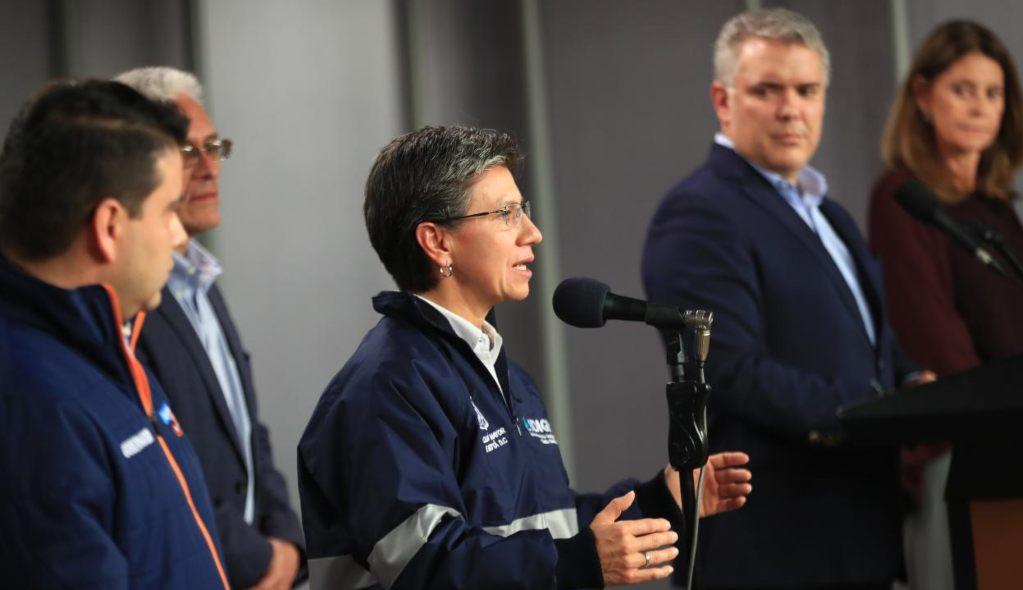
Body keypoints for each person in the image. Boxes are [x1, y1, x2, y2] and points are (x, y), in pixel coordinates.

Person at [298, 125, 752, 589]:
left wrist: (659, 501)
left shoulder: (502, 374)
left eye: (524, 211)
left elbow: (544, 527)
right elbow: (424, 566)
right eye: (506, 213)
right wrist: (577, 564)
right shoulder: (385, 386)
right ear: (437, 242)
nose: (532, 234)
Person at [642, 8, 932, 589]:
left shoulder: (829, 212)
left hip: (856, 530)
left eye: (806, 90)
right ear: (723, 101)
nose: (790, 108)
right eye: (766, 90)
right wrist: (873, 416)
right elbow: (731, 368)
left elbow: (868, 340)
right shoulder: (699, 212)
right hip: (771, 545)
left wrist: (915, 385)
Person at [0, 80, 229, 589]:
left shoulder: (103, 348)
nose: (177, 235)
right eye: (168, 210)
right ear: (109, 226)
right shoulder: (33, 408)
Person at [868, 20, 1023, 590]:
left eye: (992, 93)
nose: (979, 107)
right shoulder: (904, 199)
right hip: (961, 454)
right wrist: (1015, 415)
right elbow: (930, 335)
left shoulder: (996, 208)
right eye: (961, 89)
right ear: (922, 97)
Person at [114, 67, 306, 589]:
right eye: (185, 150)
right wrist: (259, 562)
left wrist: (286, 543)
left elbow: (248, 433)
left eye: (213, 147)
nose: (208, 168)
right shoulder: (126, 302)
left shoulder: (204, 281)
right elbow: (169, 469)